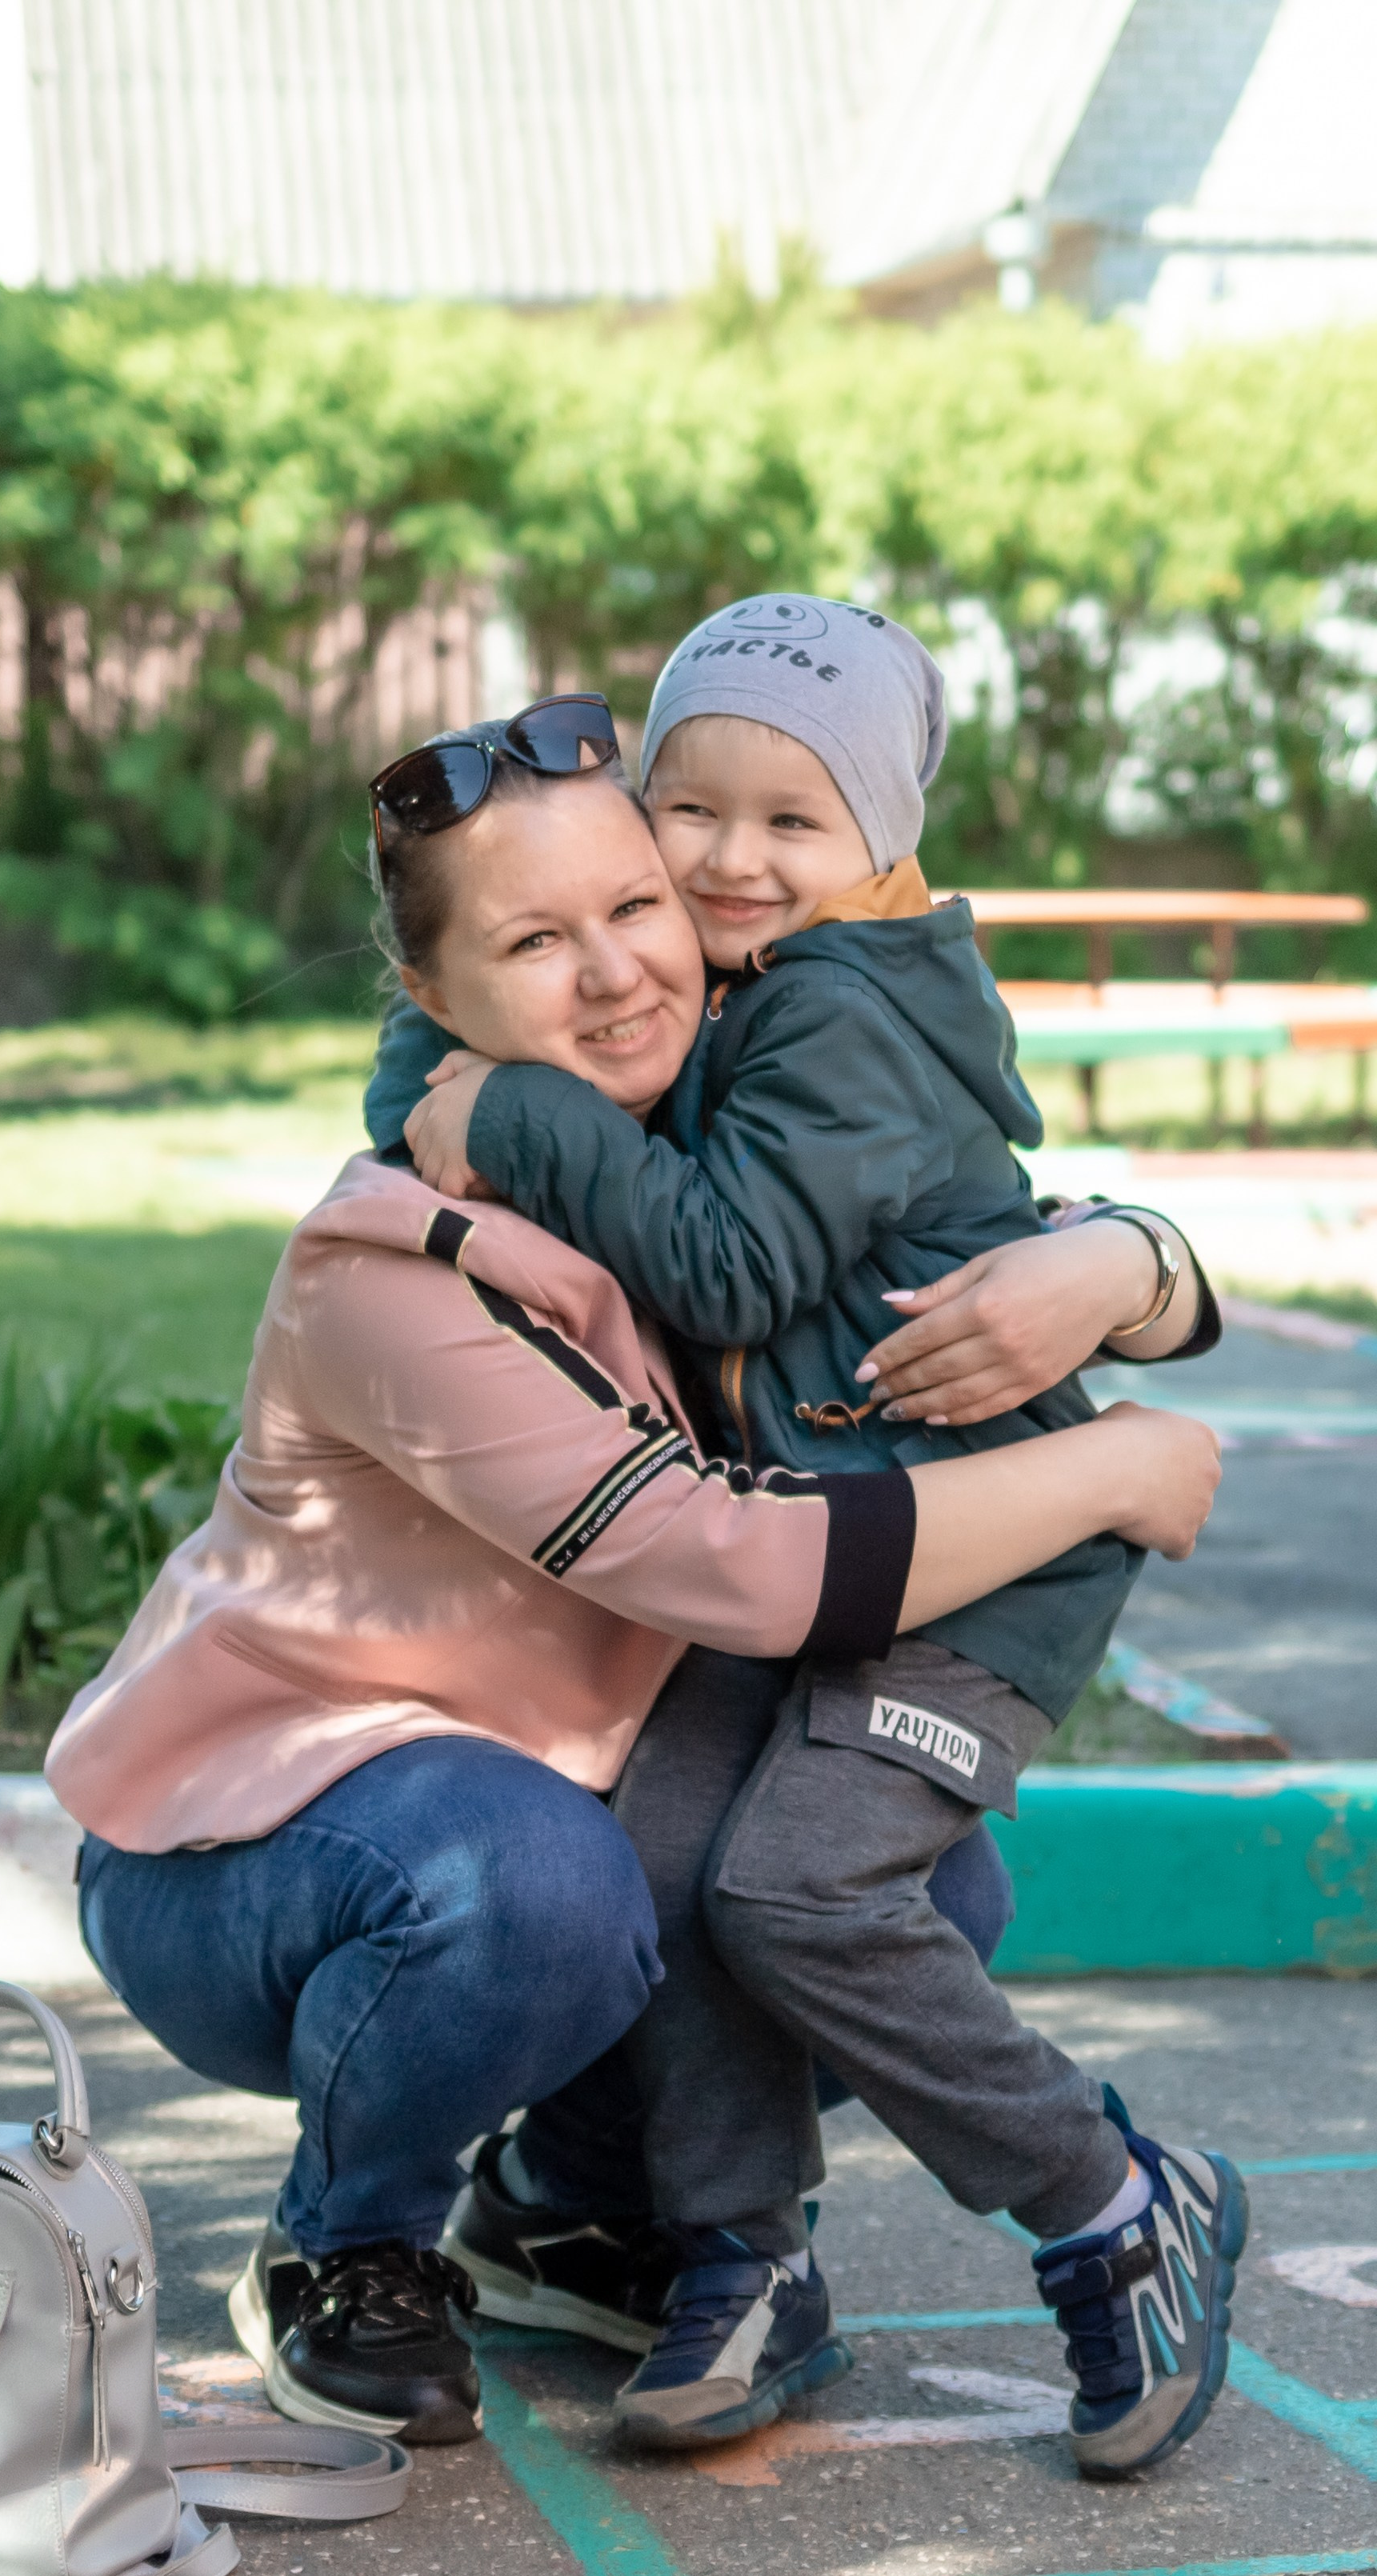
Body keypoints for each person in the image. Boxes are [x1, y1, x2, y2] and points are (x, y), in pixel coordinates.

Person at [46, 700, 1223, 2460]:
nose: (612, 975)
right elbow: (741, 1572)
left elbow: (945, 1197)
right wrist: (1113, 1467)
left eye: (636, 909)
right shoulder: (404, 1261)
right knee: (540, 1885)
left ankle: (575, 2206)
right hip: (268, 1850)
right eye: (533, 941)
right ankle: (347, 2238)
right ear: (436, 1005)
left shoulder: (684, 1141)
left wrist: (1134, 1265)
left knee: (915, 1894)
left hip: (555, 1798)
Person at [370, 638, 1244, 2478]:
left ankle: (1113, 2205)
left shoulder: (845, 1013)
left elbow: (733, 1270)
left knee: (797, 1890)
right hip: (803, 1546)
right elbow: (454, 1035)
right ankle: (742, 2259)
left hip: (978, 1556)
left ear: (887, 840)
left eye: (794, 819)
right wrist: (445, 1069)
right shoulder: (724, 979)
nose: (733, 858)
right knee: (662, 1862)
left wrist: (506, 1114)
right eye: (692, 809)